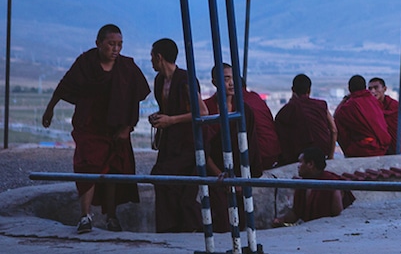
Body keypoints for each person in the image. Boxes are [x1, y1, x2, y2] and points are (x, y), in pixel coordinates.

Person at [41, 24, 151, 234]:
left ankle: (111, 216)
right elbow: (64, 85)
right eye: (111, 44)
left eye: (119, 44)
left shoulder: (127, 67)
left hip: (116, 128)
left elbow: (136, 95)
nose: (116, 49)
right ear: (98, 43)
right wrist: (50, 109)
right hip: (89, 126)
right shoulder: (86, 63)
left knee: (114, 170)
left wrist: (127, 126)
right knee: (87, 167)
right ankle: (85, 216)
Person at [148, 38, 205, 233]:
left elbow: (202, 112)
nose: (151, 61)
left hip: (186, 143)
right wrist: (159, 118)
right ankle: (170, 227)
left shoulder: (186, 80)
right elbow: (167, 108)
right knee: (163, 181)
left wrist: (171, 121)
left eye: (152, 57)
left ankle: (187, 226)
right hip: (168, 143)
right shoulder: (159, 80)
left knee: (169, 180)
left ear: (159, 57)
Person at [203, 64, 279, 173]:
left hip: (240, 169)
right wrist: (219, 174)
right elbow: (203, 147)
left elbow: (251, 145)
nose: (232, 83)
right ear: (214, 82)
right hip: (214, 169)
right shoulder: (206, 107)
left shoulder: (244, 108)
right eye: (226, 79)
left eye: (234, 78)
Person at [271, 147, 356, 226]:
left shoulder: (332, 184)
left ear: (310, 164)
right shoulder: (302, 184)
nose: (298, 165)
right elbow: (295, 213)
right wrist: (281, 220)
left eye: (301, 162)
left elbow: (337, 216)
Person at [274, 74, 336, 166]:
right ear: (309, 90)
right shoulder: (321, 105)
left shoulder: (288, 109)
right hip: (322, 152)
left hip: (298, 155)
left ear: (293, 89)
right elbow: (334, 130)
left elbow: (279, 133)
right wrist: (330, 156)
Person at [334, 75, 392, 158]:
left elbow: (337, 122)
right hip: (381, 147)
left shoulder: (348, 107)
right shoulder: (374, 102)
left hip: (360, 149)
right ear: (365, 87)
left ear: (349, 89)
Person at [368, 77, 400, 155]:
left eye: (376, 88)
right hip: (376, 147)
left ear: (384, 89)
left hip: (392, 146)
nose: (373, 91)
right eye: (370, 88)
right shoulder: (370, 105)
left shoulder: (394, 105)